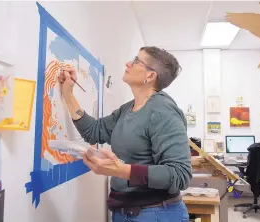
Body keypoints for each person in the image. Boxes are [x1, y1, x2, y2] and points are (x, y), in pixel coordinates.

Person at [58, 46, 192, 222]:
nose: (128, 63)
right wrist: (68, 92)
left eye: (136, 61)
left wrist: (123, 171)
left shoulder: (163, 111)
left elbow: (180, 175)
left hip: (157, 213)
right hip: (123, 212)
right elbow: (93, 131)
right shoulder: (127, 109)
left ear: (150, 76)